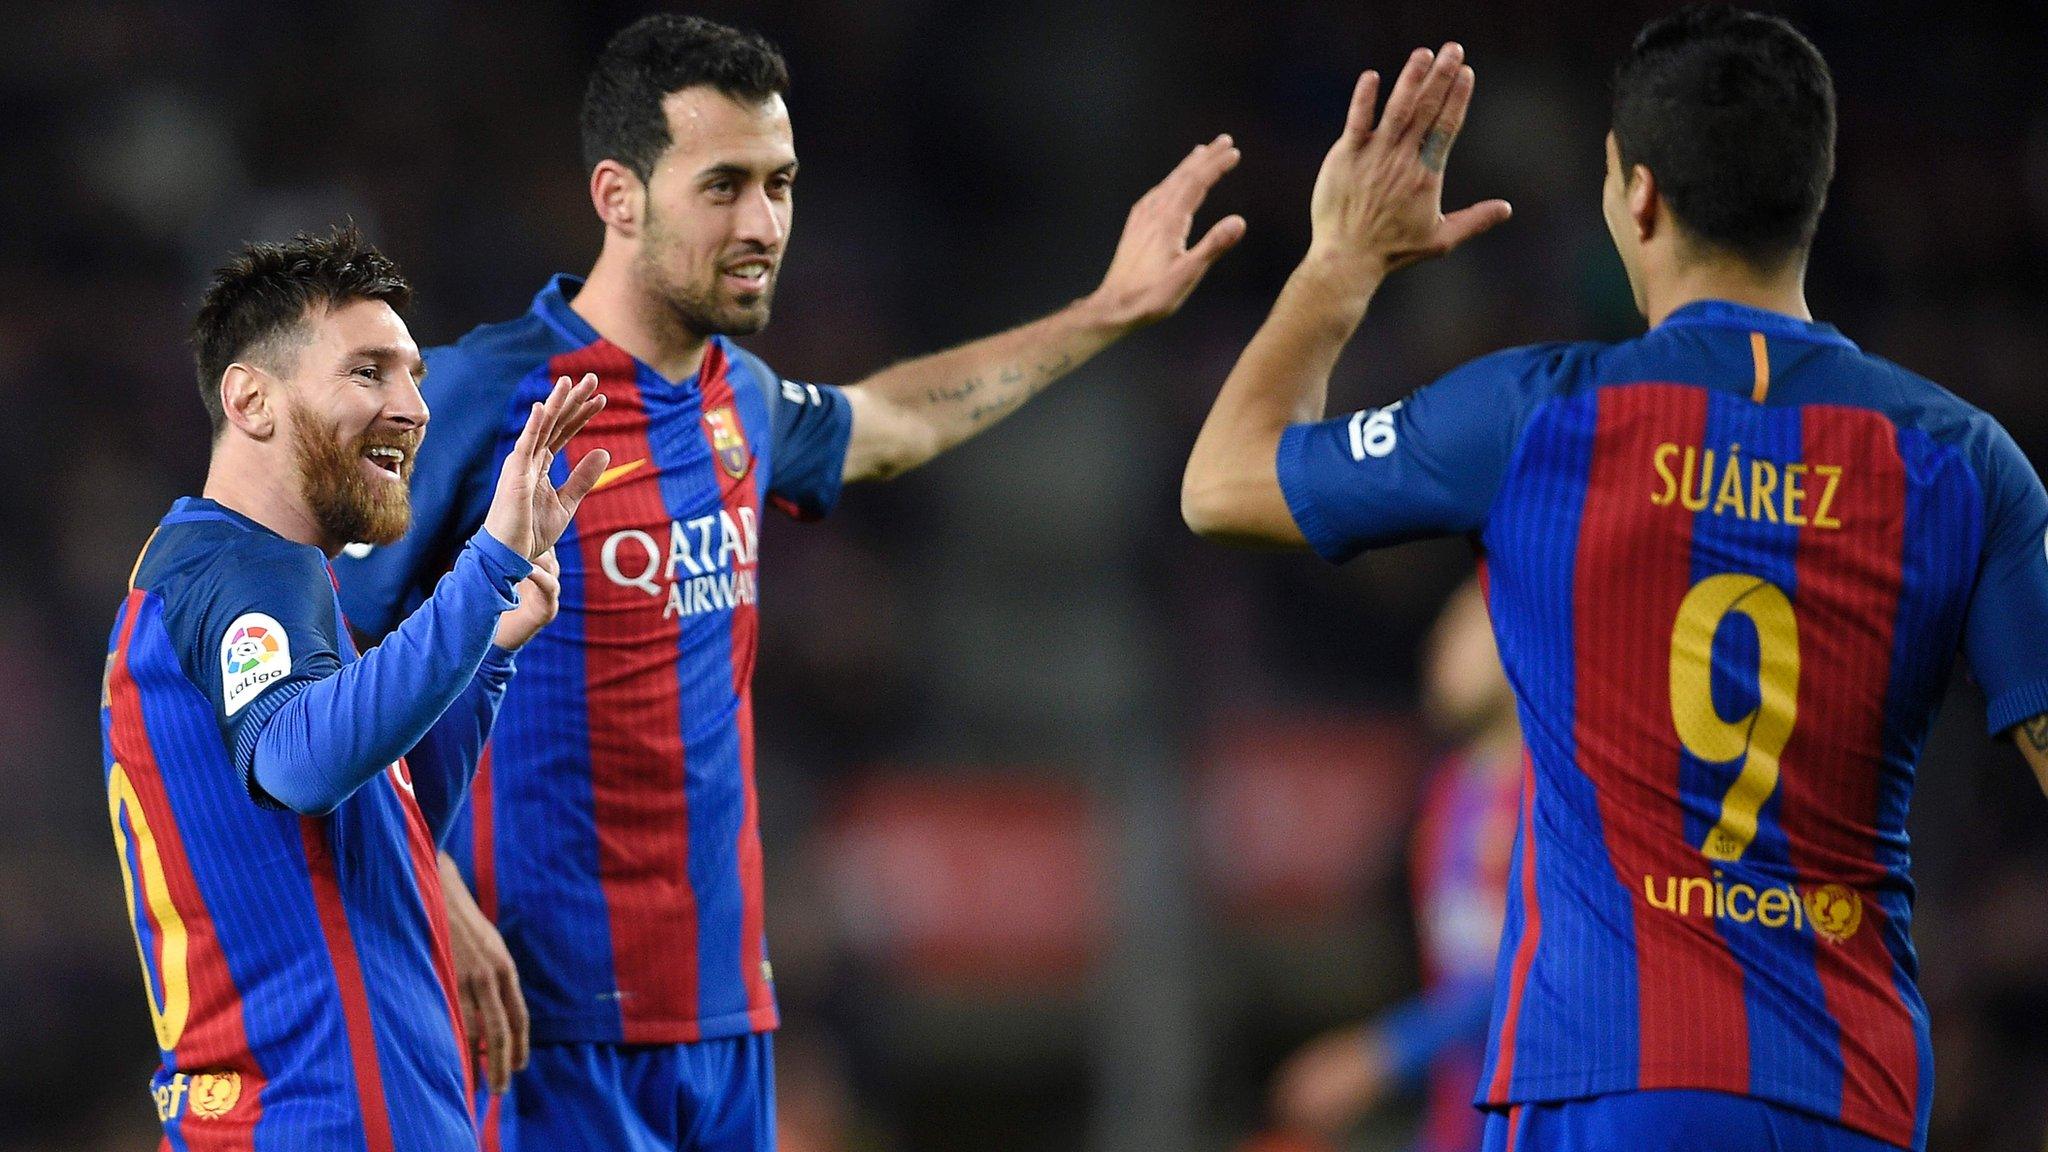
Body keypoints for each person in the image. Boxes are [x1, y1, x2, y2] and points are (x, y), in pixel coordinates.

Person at [333, 13, 1242, 1151]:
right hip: (535, 1025)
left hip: (727, 1026)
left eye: (781, 184)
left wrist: (1104, 312)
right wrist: (433, 890)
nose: (763, 224)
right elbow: (317, 671)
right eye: (723, 186)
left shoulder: (742, 400)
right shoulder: (475, 397)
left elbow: (895, 419)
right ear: (619, 196)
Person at [1181, 8, 2048, 1151]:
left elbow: (1221, 485)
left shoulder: (1536, 418)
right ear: (1812, 194)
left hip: (1601, 1081)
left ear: (1634, 195)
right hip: (1849, 1094)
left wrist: (1343, 262)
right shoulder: (1964, 464)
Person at [99, 225, 610, 1148]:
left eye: (413, 373)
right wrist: (485, 565)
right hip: (315, 1119)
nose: (416, 406)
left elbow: (385, 844)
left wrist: (486, 653)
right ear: (251, 400)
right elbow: (300, 764)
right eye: (368, 372)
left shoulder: (273, 587)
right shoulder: (235, 567)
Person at [1270, 577, 1518, 1152]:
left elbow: (1526, 980)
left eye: (1467, 624)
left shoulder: (1553, 805)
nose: (1442, 642)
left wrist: (1383, 1053)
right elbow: (1454, 975)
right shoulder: (1445, 795)